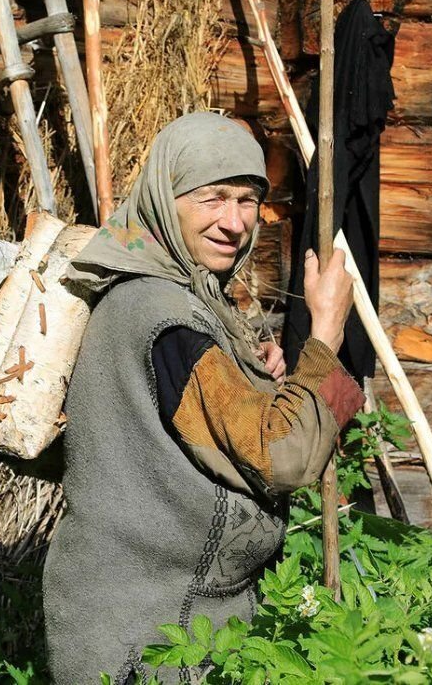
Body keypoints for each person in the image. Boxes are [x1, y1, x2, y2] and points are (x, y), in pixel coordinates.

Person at [43, 112, 365, 683]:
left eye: (247, 201)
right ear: (167, 200)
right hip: (151, 630)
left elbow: (199, 418)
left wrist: (258, 380)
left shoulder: (170, 295)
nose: (234, 222)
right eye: (212, 198)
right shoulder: (163, 314)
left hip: (174, 615)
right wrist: (326, 336)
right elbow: (282, 457)